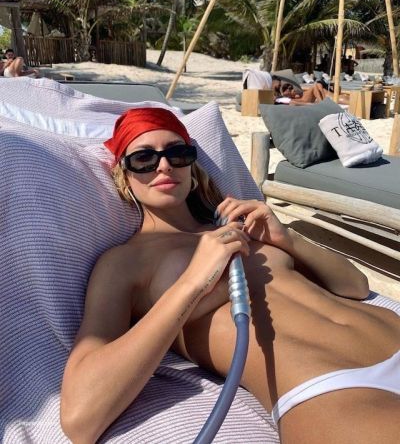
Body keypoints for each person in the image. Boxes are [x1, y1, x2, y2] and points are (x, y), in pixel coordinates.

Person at [60, 108, 400, 444]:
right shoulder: (123, 263)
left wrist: (287, 238)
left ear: (192, 167)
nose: (164, 166)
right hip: (332, 390)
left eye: (178, 154)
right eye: (143, 158)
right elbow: (80, 419)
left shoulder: (243, 225)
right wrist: (193, 281)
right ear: (124, 175)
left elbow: (356, 287)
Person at [280, 81, 349, 105]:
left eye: (291, 88)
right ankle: (322, 102)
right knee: (315, 86)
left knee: (318, 85)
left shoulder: (297, 94)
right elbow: (287, 100)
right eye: (289, 89)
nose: (292, 89)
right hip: (307, 100)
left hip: (321, 96)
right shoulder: (288, 98)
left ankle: (322, 101)